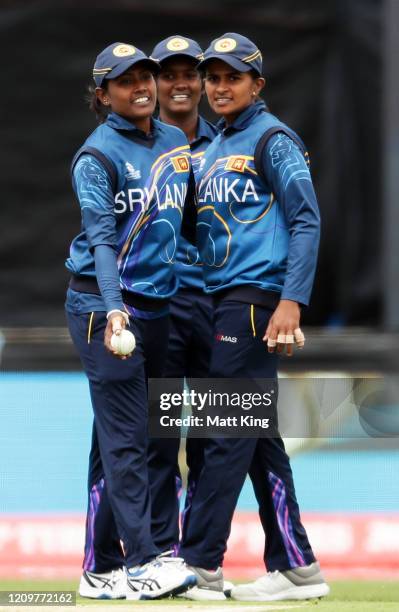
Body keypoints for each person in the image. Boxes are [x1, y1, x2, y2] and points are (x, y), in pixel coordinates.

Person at [177, 33, 330, 602]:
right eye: (212, 78)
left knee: (223, 429)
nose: (219, 87)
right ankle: (296, 567)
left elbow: (306, 220)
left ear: (256, 84)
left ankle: (200, 566)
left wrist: (291, 302)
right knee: (256, 434)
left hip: (255, 301)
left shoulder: (272, 137)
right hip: (223, 299)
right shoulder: (210, 146)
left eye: (231, 77)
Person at [65, 41, 196, 600]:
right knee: (126, 440)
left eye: (146, 75)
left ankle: (100, 568)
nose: (142, 86)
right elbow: (100, 242)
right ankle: (144, 561)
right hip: (103, 307)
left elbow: (182, 222)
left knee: (142, 439)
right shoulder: (95, 157)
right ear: (103, 95)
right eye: (126, 81)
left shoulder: (174, 140)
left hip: (159, 304)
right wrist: (116, 307)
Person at [147, 35, 218, 556]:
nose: (179, 83)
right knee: (159, 439)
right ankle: (159, 554)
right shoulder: (135, 147)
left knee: (221, 436)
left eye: (188, 73)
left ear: (201, 81)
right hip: (162, 309)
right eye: (166, 74)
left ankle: (199, 560)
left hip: (220, 308)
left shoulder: (231, 141)